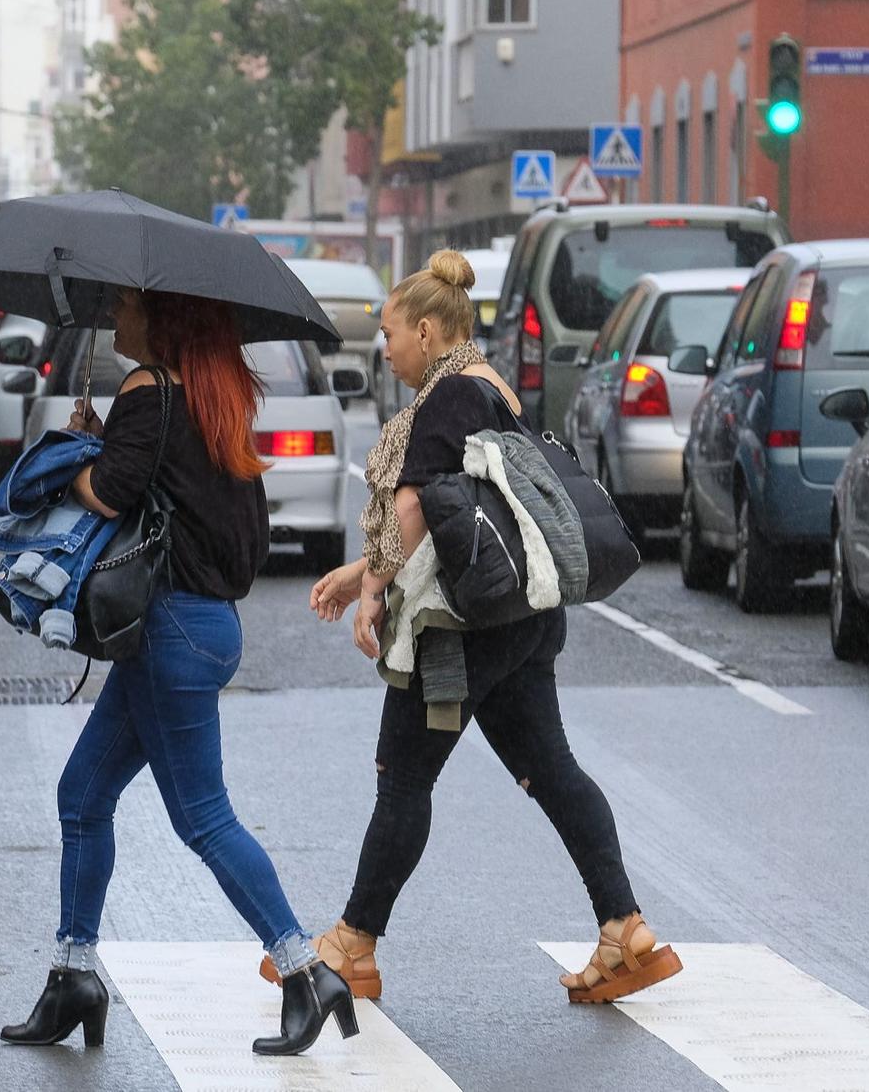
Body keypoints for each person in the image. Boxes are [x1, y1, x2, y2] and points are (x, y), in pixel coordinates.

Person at [291, 250, 680, 1006]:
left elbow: (411, 511)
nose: (386, 347)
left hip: (459, 630)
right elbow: (459, 511)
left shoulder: (444, 401)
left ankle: (352, 945)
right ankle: (624, 929)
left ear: (430, 331)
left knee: (402, 779)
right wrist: (355, 573)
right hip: (522, 620)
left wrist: (372, 596)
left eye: (392, 332)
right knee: (556, 772)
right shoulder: (494, 387)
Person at [0, 287, 354, 1058]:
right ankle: (73, 977)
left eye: (125, 305)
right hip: (200, 624)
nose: (116, 318)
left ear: (160, 318)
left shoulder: (147, 390)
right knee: (83, 794)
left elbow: (108, 494)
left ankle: (306, 972)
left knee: (203, 817)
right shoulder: (211, 393)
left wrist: (73, 458)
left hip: (167, 630)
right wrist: (106, 444)